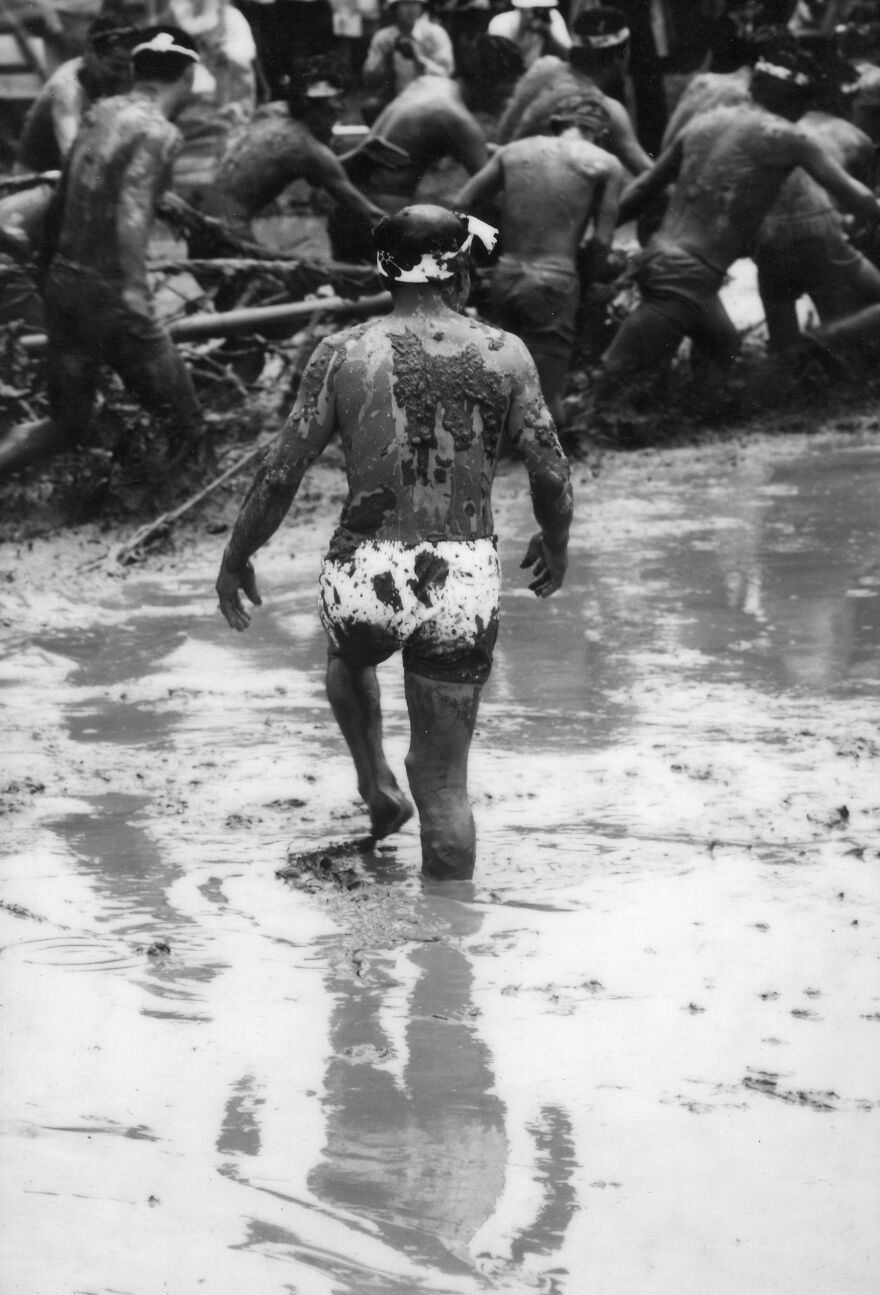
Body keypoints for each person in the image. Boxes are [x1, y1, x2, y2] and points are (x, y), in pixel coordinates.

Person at [215, 204, 573, 880]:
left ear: (383, 271)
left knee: (349, 655)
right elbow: (551, 471)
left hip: (364, 570)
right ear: (461, 271)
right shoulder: (505, 352)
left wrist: (237, 556)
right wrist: (555, 540)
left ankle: (375, 781)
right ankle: (445, 930)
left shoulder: (342, 352)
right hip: (462, 575)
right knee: (444, 786)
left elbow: (281, 470)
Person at [599, 47, 880, 388]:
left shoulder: (705, 122)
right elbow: (859, 198)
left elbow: (643, 189)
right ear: (797, 102)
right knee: (613, 376)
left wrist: (598, 236)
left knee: (723, 345)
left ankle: (706, 406)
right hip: (687, 275)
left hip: (663, 257)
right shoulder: (787, 136)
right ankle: (820, 341)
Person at [0, 26, 203, 482]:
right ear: (189, 76)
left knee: (64, 425)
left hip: (64, 287)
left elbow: (62, 199)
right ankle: (163, 513)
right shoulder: (160, 132)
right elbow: (132, 208)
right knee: (187, 426)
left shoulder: (99, 113)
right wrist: (135, 294)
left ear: (136, 70)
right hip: (112, 297)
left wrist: (47, 274)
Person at [454, 100, 624, 425]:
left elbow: (462, 202)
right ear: (600, 133)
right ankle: (550, 456)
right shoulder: (606, 163)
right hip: (554, 283)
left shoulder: (513, 151)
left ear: (557, 122)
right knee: (545, 401)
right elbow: (602, 241)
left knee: (501, 390)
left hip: (505, 277)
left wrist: (469, 260)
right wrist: (586, 282)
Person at [328, 35, 523, 261]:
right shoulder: (459, 121)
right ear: (484, 81)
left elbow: (428, 139)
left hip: (345, 211)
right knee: (492, 221)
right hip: (377, 221)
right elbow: (492, 195)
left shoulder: (428, 84)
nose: (508, 99)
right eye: (505, 91)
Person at [200, 66, 388, 237]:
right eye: (337, 104)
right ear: (322, 111)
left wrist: (358, 155)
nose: (342, 108)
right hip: (228, 229)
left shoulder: (270, 112)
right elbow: (367, 212)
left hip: (200, 216)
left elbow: (319, 172)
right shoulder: (307, 148)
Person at [496, 6, 652, 175]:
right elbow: (646, 172)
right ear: (619, 56)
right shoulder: (606, 107)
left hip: (503, 176)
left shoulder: (542, 69)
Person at [14, 14, 136, 175]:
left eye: (129, 68)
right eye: (117, 67)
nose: (125, 76)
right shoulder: (65, 89)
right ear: (90, 54)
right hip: (39, 177)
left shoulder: (109, 77)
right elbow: (74, 161)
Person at [360, 0, 455, 117]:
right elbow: (368, 78)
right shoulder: (384, 37)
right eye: (405, 4)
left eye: (415, 3)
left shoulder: (435, 34)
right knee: (371, 107)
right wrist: (384, 57)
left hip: (429, 100)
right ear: (395, 8)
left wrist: (418, 58)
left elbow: (446, 74)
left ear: (421, 7)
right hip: (395, 100)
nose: (411, 9)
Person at [487, 0, 572, 69]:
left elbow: (568, 54)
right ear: (520, 8)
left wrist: (548, 33)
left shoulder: (552, 17)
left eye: (544, 8)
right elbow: (495, 60)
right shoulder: (500, 22)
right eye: (535, 8)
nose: (540, 11)